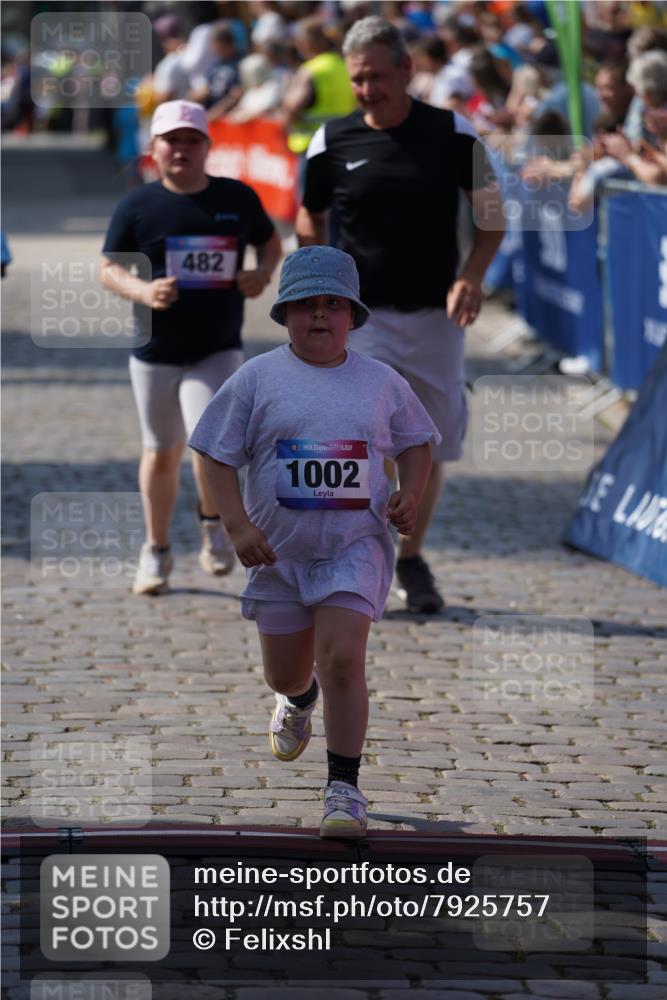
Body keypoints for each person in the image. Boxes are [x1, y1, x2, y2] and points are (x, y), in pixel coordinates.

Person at [189, 246, 439, 837]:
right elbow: (213, 455)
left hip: (354, 547)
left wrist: (411, 492)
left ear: (353, 315)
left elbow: (417, 443)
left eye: (333, 304)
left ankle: (344, 789)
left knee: (344, 660)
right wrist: (236, 526)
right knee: (285, 673)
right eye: (305, 305)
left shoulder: (381, 382)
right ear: (283, 314)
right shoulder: (257, 378)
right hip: (276, 553)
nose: (320, 316)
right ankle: (297, 700)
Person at [296, 16, 505, 614]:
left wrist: (471, 275)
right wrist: (317, 282)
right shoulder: (330, 140)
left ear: (407, 71)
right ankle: (359, 558)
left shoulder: (453, 132)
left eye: (379, 76)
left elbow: (492, 213)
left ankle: (409, 558)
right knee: (361, 442)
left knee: (427, 444)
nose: (367, 89)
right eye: (358, 79)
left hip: (437, 316)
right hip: (361, 319)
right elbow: (307, 218)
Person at [100, 100, 281, 595]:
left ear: (207, 147)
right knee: (161, 451)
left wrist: (261, 273)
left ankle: (213, 524)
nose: (180, 149)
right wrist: (143, 292)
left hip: (217, 346)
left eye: (190, 140)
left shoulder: (237, 197)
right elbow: (108, 268)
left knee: (209, 444)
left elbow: (269, 242)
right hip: (155, 349)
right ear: (153, 149)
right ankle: (156, 550)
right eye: (170, 140)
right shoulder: (137, 205)